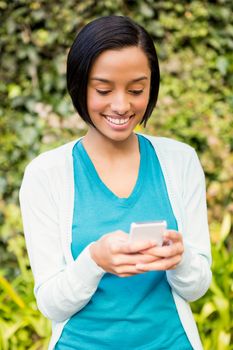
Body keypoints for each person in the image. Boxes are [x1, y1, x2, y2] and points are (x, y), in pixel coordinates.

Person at [19, 15, 212, 350]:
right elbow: (51, 304)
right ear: (79, 86)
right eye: (104, 90)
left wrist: (180, 259)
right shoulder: (45, 175)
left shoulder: (181, 161)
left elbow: (196, 288)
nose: (122, 105)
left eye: (136, 90)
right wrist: (94, 261)